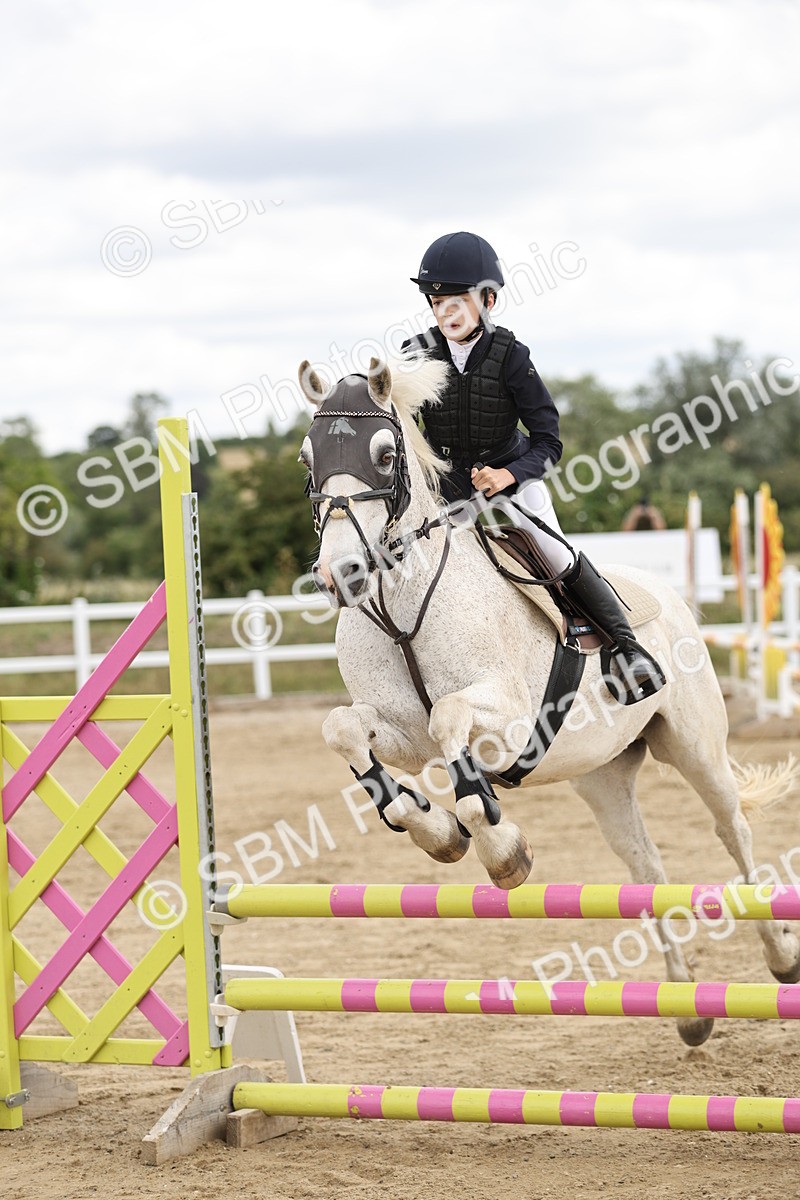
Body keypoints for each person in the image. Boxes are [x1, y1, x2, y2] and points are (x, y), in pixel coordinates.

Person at [404, 230, 664, 702]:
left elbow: (548, 440)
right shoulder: (416, 353)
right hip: (446, 493)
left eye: (457, 300)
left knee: (557, 554)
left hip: (513, 482)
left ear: (488, 299)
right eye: (436, 300)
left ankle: (628, 651)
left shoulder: (510, 356)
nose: (446, 312)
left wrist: (508, 476)